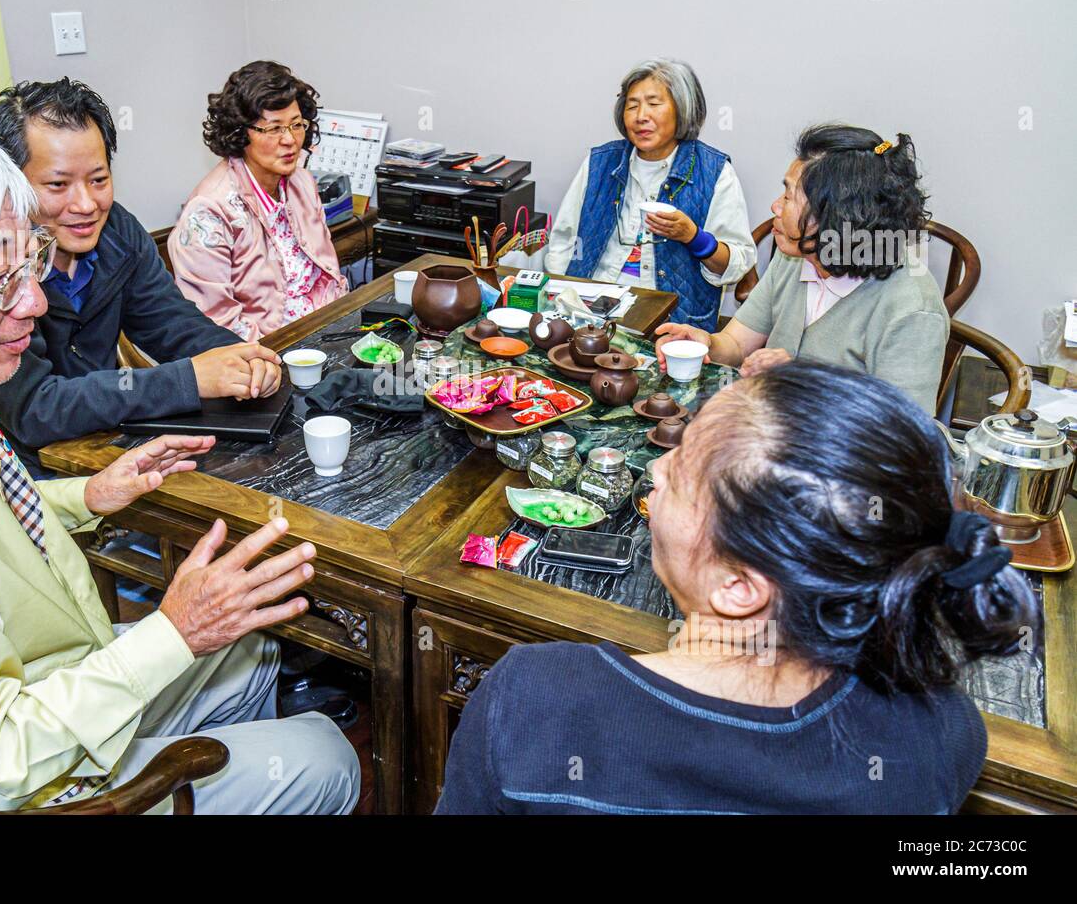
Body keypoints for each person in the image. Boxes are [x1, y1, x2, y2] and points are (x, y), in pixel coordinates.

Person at [0, 109, 358, 813]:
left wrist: (87, 494)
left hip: (38, 665)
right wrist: (173, 633)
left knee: (251, 650)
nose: (35, 298)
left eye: (30, 261)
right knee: (326, 755)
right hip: (18, 781)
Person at [436, 361, 1037, 814]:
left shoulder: (537, 700)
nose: (656, 469)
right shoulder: (942, 731)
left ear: (738, 586)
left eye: (684, 471)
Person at [0, 78, 283, 474]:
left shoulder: (117, 232)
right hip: (20, 472)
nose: (86, 204)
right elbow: (37, 409)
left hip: (106, 440)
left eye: (99, 179)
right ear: (10, 182)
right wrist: (188, 380)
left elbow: (171, 323)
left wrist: (243, 359)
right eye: (58, 184)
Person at [655, 125, 949, 414]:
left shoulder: (911, 308)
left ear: (834, 216)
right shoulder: (797, 256)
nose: (775, 206)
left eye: (789, 197)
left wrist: (803, 383)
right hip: (777, 432)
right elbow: (735, 343)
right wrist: (707, 344)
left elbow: (905, 434)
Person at [543, 58, 756, 331]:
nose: (640, 115)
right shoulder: (600, 162)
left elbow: (736, 264)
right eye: (632, 105)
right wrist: (561, 301)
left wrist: (694, 237)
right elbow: (563, 240)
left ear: (682, 109)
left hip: (671, 319)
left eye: (654, 104)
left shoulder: (714, 172)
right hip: (589, 311)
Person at [169, 60, 348, 340]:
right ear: (242, 133)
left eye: (296, 125)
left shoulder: (302, 182)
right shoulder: (208, 213)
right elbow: (215, 325)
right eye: (275, 128)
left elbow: (326, 273)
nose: (290, 140)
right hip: (267, 353)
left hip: (327, 328)